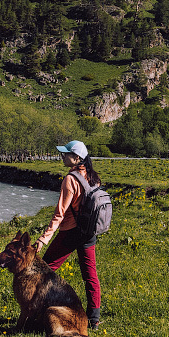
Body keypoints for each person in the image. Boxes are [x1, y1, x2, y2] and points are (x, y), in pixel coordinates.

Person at [34, 139, 103, 327]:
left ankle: (37, 312)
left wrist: (43, 239)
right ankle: (94, 319)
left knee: (45, 270)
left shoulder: (70, 179)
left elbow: (59, 214)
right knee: (90, 274)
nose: (62, 156)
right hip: (89, 232)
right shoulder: (93, 176)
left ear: (77, 158)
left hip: (70, 232)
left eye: (66, 154)